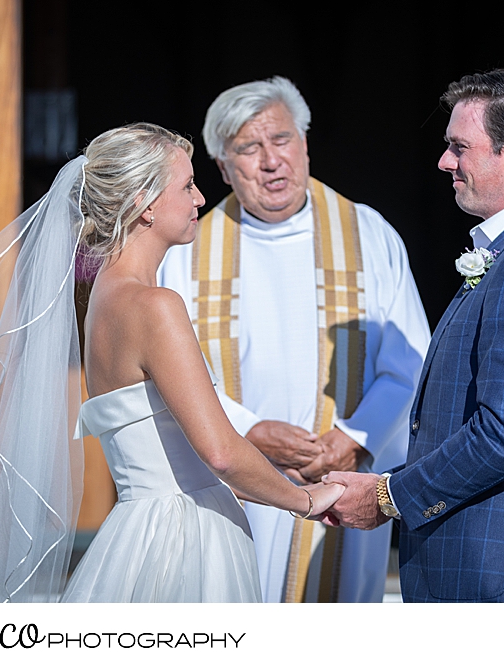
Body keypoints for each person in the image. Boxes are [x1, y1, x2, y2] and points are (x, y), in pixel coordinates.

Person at [0, 122, 344, 603]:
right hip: (185, 538)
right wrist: (307, 499)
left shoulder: (100, 303)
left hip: (134, 533)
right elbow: (220, 453)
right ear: (145, 205)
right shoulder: (155, 306)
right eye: (187, 186)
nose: (199, 199)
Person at [324, 68, 504, 603]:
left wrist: (388, 496)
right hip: (485, 561)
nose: (444, 161)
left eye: (459, 146)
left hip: (499, 569)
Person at [157, 77, 431, 602]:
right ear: (221, 167)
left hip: (346, 475)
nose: (270, 161)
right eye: (248, 148)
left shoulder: (369, 234)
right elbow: (169, 369)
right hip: (235, 481)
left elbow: (410, 361)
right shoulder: (187, 253)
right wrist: (249, 430)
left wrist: (353, 439)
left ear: (305, 143)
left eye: (281, 140)